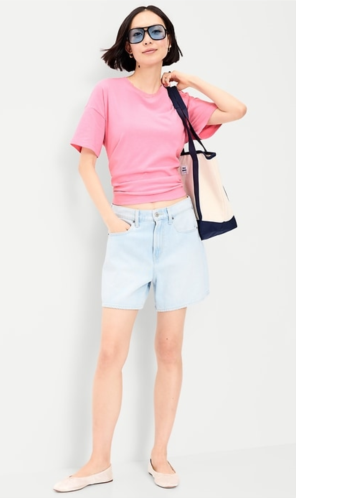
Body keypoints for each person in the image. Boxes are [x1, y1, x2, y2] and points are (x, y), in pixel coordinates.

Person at [54, 4, 247, 493]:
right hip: (129, 230)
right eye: (137, 34)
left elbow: (236, 110)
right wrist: (111, 220)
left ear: (169, 40)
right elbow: (85, 162)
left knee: (168, 348)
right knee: (110, 352)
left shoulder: (180, 100)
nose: (147, 39)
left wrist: (190, 79)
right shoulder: (107, 94)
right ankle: (98, 461)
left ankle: (160, 456)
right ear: (127, 45)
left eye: (156, 31)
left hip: (179, 229)